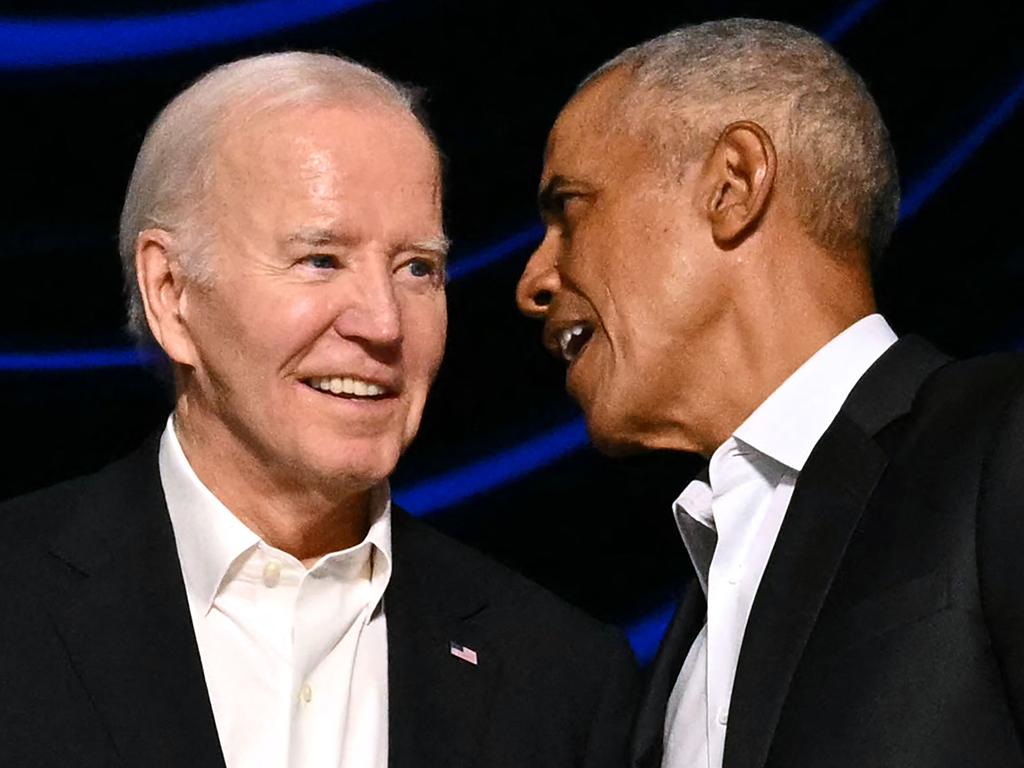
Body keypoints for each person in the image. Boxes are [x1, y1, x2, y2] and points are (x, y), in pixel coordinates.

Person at [0, 52, 638, 768]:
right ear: (171, 291)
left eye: (417, 269)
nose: (383, 323)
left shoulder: (559, 681)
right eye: (322, 260)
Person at [516, 18, 1024, 768]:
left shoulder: (1001, 440)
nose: (533, 280)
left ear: (734, 184)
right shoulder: (672, 657)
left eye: (570, 209)